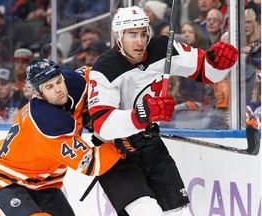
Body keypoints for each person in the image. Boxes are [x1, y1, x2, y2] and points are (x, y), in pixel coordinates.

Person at [87, 6, 238, 216]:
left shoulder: (163, 47)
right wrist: (143, 113)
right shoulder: (104, 69)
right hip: (115, 154)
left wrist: (219, 63)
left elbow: (206, 72)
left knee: (179, 212)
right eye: (132, 35)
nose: (140, 41)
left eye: (143, 33)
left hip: (150, 144)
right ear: (118, 36)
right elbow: (102, 125)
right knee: (147, 212)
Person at [0, 59, 134, 216]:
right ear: (37, 93)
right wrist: (125, 143)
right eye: (49, 87)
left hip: (43, 184)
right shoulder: (47, 123)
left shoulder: (75, 83)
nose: (59, 89)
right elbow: (92, 164)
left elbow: (101, 74)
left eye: (59, 81)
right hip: (3, 183)